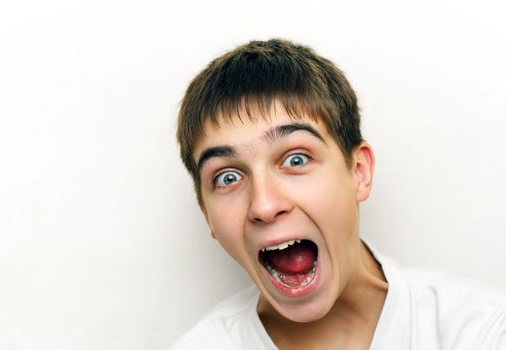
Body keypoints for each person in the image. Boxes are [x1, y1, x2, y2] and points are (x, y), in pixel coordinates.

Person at [171, 39, 506, 349]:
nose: (265, 205)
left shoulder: (482, 332)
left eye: (295, 159)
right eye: (228, 177)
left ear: (358, 171)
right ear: (208, 216)